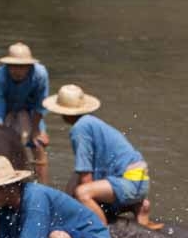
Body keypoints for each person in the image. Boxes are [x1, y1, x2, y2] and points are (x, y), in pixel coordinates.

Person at [42, 83, 161, 230]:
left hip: (128, 182)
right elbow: (81, 172)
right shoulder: (92, 122)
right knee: (75, 180)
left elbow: (86, 176)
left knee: (83, 193)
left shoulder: (79, 128)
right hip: (140, 182)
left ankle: (102, 232)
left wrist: (81, 204)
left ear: (63, 112)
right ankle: (138, 205)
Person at [0, 42, 50, 185]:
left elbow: (40, 105)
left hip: (30, 112)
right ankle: (2, 182)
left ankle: (43, 186)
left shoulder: (40, 74)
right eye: (13, 66)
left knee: (38, 144)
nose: (17, 71)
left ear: (29, 66)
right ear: (7, 65)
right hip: (6, 111)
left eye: (22, 66)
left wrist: (36, 130)